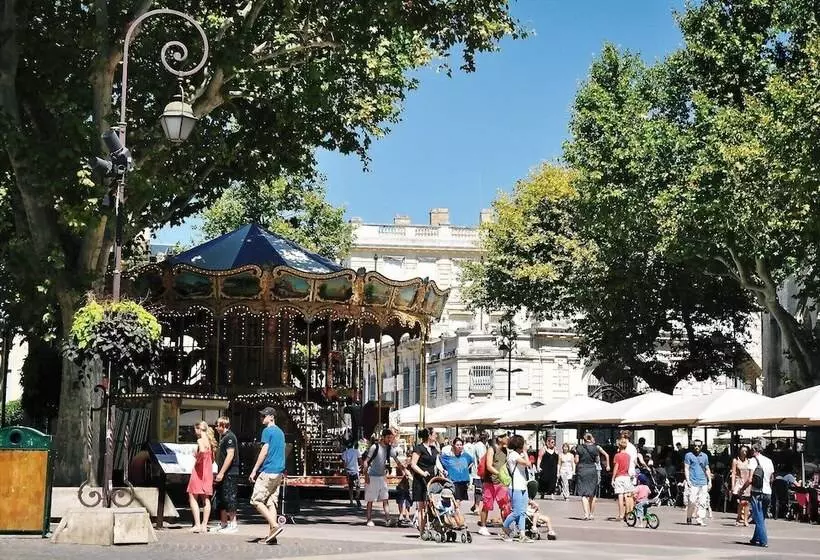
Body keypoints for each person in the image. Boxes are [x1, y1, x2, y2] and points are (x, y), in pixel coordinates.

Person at [249, 407, 286, 544]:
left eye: (264, 416)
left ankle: (275, 526)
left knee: (256, 500)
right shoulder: (280, 432)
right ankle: (272, 536)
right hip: (278, 472)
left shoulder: (267, 431)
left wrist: (254, 470)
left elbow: (264, 451)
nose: (261, 418)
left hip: (268, 470)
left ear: (271, 417)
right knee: (271, 502)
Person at [362, 428, 401, 527]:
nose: (389, 440)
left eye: (391, 438)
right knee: (370, 500)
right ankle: (369, 519)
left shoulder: (389, 448)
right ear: (383, 437)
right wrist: (366, 475)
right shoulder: (374, 447)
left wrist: (404, 469)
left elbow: (396, 459)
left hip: (382, 476)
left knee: (385, 498)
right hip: (372, 476)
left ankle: (388, 519)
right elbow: (366, 461)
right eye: (388, 437)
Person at [741, 442, 774, 548]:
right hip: (767, 492)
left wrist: (742, 489)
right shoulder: (769, 461)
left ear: (754, 450)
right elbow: (772, 478)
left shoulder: (752, 461)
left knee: (758, 517)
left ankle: (764, 540)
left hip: (757, 492)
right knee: (761, 516)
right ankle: (755, 538)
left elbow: (750, 479)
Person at [501, 434, 532, 543]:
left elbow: (528, 466)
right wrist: (526, 452)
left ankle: (522, 534)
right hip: (515, 487)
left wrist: (524, 453)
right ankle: (504, 527)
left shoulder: (519, 454)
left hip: (523, 485)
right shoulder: (513, 455)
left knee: (523, 512)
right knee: (516, 512)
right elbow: (527, 463)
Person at [187, 421, 216, 533]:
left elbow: (203, 451)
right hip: (207, 472)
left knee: (193, 496)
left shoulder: (200, 440)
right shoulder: (211, 443)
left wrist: (197, 457)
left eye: (195, 429)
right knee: (206, 498)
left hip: (199, 471)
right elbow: (212, 459)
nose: (195, 432)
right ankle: (204, 525)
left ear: (199, 429)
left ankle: (197, 524)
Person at [478, 432, 509, 536]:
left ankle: (506, 526)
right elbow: (489, 466)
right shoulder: (492, 449)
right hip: (490, 481)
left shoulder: (505, 450)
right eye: (505, 436)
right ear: (499, 438)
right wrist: (499, 474)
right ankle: (483, 526)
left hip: (501, 482)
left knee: (504, 505)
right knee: (487, 504)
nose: (507, 438)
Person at [410, 427, 440, 535]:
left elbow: (438, 462)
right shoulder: (419, 448)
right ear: (429, 436)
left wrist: (442, 471)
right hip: (421, 480)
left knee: (431, 504)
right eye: (435, 434)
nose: (436, 436)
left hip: (431, 479)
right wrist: (422, 472)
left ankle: (431, 526)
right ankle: (422, 530)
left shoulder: (434, 449)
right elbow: (413, 464)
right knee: (422, 505)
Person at [574, 433, 609, 520]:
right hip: (592, 470)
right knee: (592, 494)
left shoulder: (579, 447)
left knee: (584, 494)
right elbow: (597, 461)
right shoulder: (595, 448)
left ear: (584, 439)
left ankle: (586, 514)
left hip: (582, 470)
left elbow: (576, 461)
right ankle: (591, 514)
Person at [213, 416, 239, 533]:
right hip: (222, 472)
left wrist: (222, 472)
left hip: (230, 472)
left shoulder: (230, 437)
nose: (216, 427)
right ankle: (223, 523)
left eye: (218, 425)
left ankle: (233, 523)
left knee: (230, 497)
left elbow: (230, 455)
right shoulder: (223, 438)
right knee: (221, 498)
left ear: (224, 425)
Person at [439, 436, 474, 515]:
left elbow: (472, 461)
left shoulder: (466, 456)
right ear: (453, 446)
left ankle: (454, 513)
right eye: (457, 445)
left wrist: (466, 469)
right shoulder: (448, 457)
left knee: (460, 499)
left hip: (464, 480)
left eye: (461, 445)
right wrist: (443, 471)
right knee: (457, 499)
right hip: (454, 481)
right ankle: (456, 515)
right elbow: (439, 459)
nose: (459, 446)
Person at [683, 439, 711, 526]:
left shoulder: (705, 456)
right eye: (695, 445)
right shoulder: (688, 455)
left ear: (701, 446)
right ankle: (689, 516)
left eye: (699, 446)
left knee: (703, 502)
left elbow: (707, 468)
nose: (697, 447)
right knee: (692, 500)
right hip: (693, 481)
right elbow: (686, 468)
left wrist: (710, 480)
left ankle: (700, 519)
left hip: (703, 482)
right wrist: (688, 480)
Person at [611, 438, 634, 521]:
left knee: (620, 496)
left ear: (619, 446)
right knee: (627, 496)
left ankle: (621, 515)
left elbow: (616, 468)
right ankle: (628, 514)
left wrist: (613, 478)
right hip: (627, 476)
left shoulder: (617, 456)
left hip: (619, 477)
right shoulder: (628, 456)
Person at [731, 445, 751, 527]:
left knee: (746, 502)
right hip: (739, 483)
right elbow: (733, 473)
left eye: (746, 451)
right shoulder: (735, 461)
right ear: (739, 451)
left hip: (747, 483)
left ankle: (745, 520)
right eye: (742, 451)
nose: (744, 453)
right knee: (741, 502)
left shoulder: (749, 461)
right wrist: (732, 485)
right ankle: (739, 518)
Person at [470, 432, 488, 514]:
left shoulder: (479, 445)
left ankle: (475, 505)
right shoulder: (480, 446)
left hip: (477, 471)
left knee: (478, 489)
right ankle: (477, 506)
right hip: (479, 471)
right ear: (485, 438)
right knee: (479, 490)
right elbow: (481, 459)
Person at [341, 440, 362, 508]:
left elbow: (344, 464)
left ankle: (351, 501)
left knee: (350, 487)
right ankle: (357, 497)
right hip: (355, 471)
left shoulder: (345, 453)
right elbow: (360, 461)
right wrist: (361, 467)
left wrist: (346, 471)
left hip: (349, 472)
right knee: (358, 486)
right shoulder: (356, 451)